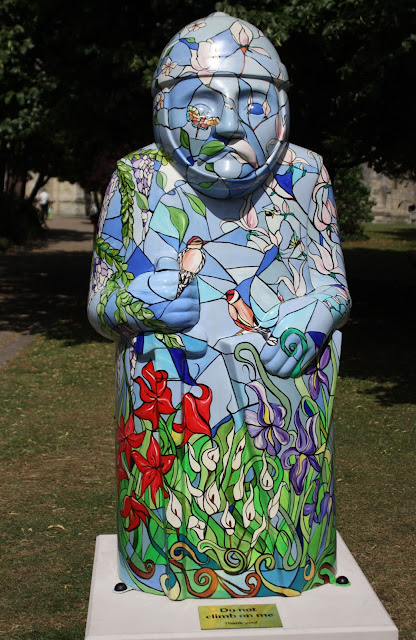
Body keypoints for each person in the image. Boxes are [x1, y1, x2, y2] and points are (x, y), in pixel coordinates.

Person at [88, 12, 351, 600]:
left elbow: (335, 286)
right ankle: (169, 571)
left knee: (282, 510)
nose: (231, 124)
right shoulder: (139, 179)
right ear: (168, 106)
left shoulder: (305, 173)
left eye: (253, 102)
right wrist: (143, 304)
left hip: (282, 407)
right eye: (204, 104)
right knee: (182, 512)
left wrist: (311, 324)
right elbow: (101, 302)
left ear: (280, 108)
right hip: (172, 415)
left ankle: (286, 569)